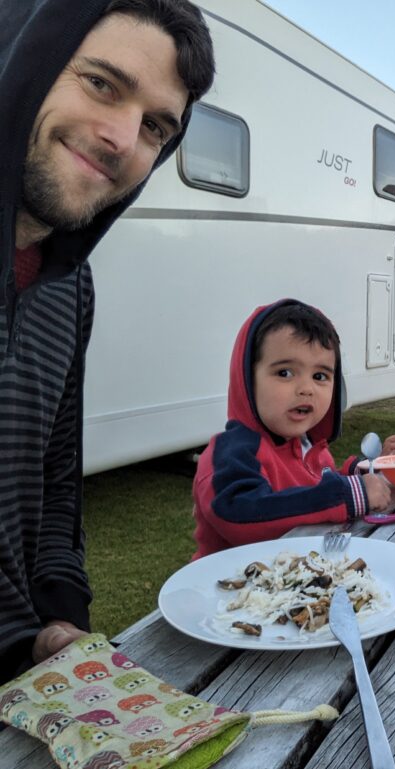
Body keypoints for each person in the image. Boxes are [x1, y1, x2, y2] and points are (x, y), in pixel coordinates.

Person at [0, 0, 215, 683]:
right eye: (101, 83)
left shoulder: (69, 284)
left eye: (155, 127)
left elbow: (56, 482)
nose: (123, 139)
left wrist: (61, 623)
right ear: (27, 62)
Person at [191, 300, 395, 559]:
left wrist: (362, 470)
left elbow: (314, 489)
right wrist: (348, 495)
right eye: (285, 373)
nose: (306, 389)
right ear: (247, 379)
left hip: (297, 575)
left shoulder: (311, 447)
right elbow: (239, 513)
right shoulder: (232, 452)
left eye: (320, 376)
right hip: (231, 580)